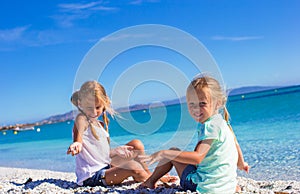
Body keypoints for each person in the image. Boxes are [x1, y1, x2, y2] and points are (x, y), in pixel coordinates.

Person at [140, 75, 249, 193]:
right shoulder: (223, 123)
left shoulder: (210, 126)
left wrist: (164, 153)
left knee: (171, 153)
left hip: (204, 186)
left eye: (202, 103)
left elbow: (197, 157)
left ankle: (150, 182)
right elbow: (236, 145)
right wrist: (242, 164)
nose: (196, 109)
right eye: (192, 104)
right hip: (227, 186)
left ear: (218, 103)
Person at [67, 80, 151, 187]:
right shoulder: (82, 119)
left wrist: (116, 151)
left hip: (105, 167)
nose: (94, 112)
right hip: (92, 176)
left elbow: (99, 156)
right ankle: (153, 179)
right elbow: (78, 137)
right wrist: (77, 144)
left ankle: (148, 174)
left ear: (104, 104)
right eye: (89, 108)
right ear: (81, 104)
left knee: (136, 144)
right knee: (132, 166)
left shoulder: (100, 125)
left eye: (97, 107)